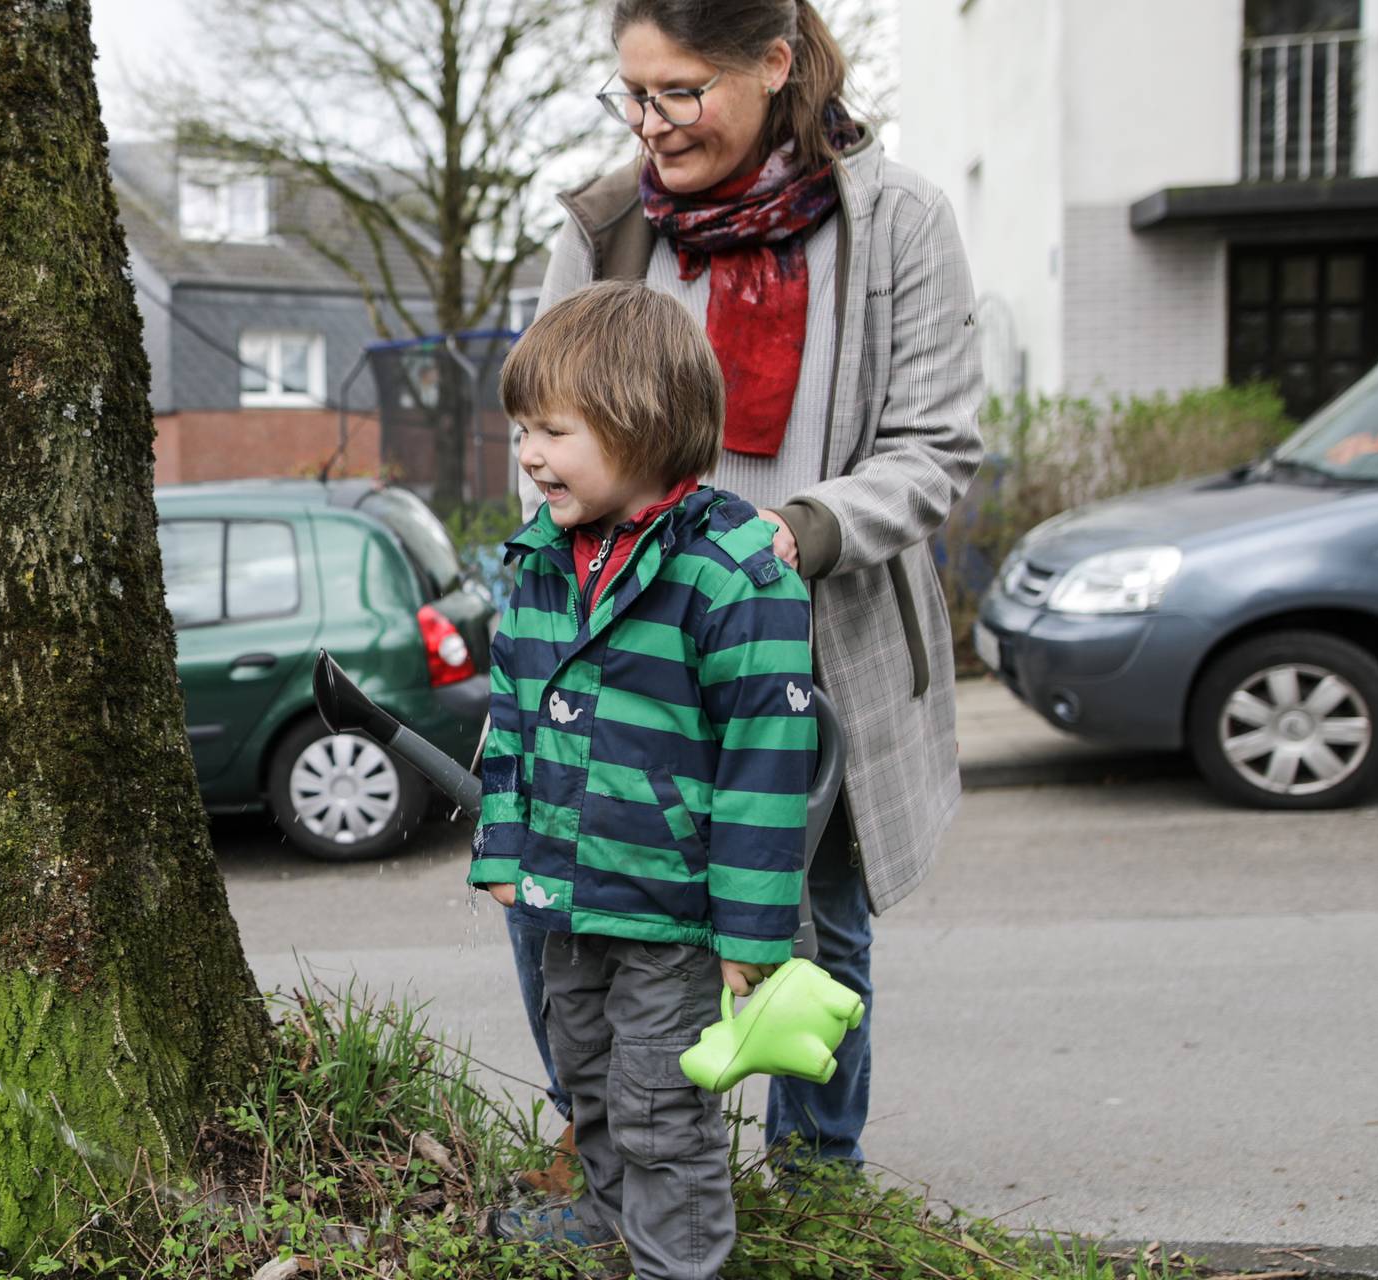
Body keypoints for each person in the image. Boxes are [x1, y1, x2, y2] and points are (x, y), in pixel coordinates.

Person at [511, 0, 985, 1174]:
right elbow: (547, 434)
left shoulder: (898, 223)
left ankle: (819, 1164)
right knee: (578, 901)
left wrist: (796, 530)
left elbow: (935, 448)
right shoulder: (607, 228)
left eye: (682, 92)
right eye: (633, 93)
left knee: (813, 908)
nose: (653, 124)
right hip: (629, 641)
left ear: (773, 64)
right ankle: (620, 1149)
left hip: (820, 630)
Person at [471, 280, 818, 1278]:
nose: (529, 455)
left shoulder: (731, 574)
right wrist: (502, 840)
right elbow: (513, 718)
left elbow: (766, 761)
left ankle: (681, 1260)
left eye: (552, 430)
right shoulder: (543, 562)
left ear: (641, 422)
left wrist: (753, 933)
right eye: (522, 430)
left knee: (662, 1104)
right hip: (570, 896)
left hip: (674, 909)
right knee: (589, 1079)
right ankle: (618, 1225)